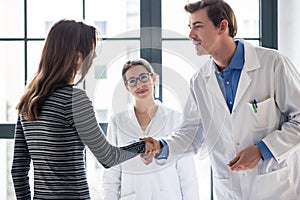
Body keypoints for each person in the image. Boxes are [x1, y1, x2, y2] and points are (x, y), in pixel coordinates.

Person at [142, 0, 300, 199]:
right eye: (190, 27)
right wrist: (161, 146)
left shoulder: (273, 64)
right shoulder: (199, 81)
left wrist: (263, 150)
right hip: (229, 190)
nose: (191, 35)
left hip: (278, 188)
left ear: (222, 27)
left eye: (198, 26)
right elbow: (191, 133)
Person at [10, 19, 149, 200]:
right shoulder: (74, 100)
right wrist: (144, 145)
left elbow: (18, 171)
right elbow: (108, 157)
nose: (94, 60)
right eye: (91, 54)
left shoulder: (28, 101)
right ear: (77, 58)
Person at [102, 58, 200, 200]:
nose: (139, 85)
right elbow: (111, 175)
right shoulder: (118, 122)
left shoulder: (175, 118)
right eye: (132, 81)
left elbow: (187, 173)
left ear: (154, 78)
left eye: (143, 77)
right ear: (126, 87)